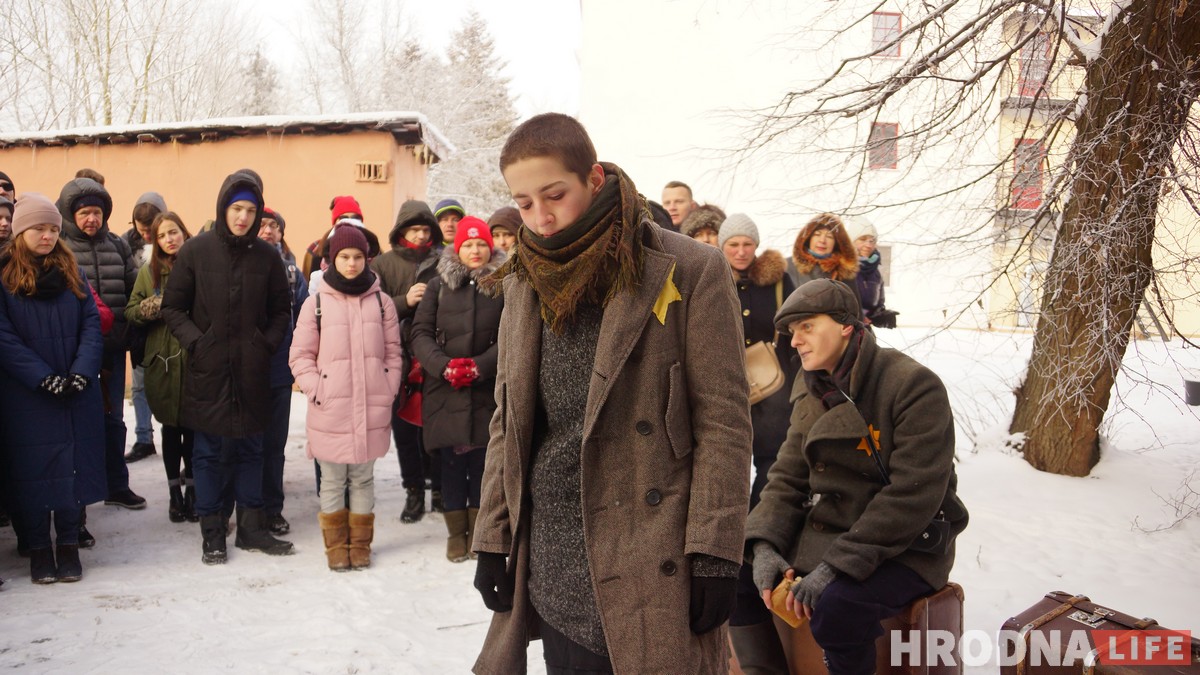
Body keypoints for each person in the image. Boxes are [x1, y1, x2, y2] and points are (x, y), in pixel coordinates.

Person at [471, 113, 753, 674]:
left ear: (593, 179)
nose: (541, 217)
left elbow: (723, 420)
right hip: (554, 558)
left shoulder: (691, 269)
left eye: (555, 195)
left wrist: (717, 551)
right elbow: (510, 417)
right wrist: (492, 533)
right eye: (523, 203)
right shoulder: (524, 278)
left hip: (655, 552)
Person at [744, 279, 968, 675]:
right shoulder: (811, 386)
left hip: (904, 546)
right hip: (831, 536)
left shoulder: (911, 385)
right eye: (792, 332)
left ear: (847, 325)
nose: (795, 341)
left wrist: (834, 568)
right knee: (734, 578)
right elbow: (787, 476)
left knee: (839, 607)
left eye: (807, 327)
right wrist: (763, 544)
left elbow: (912, 496)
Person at [160, 170, 294, 564]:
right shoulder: (196, 251)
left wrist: (264, 344)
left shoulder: (268, 256)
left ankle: (252, 528)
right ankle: (212, 531)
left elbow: (280, 310)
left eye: (251, 210)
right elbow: (172, 306)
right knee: (209, 452)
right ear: (223, 208)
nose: (243, 217)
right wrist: (198, 343)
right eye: (237, 208)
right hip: (209, 370)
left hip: (253, 370)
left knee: (252, 447)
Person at [0, 193, 105, 584]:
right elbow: (4, 337)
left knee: (70, 470)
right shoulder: (5, 276)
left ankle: (68, 544)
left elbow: (91, 326)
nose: (46, 236)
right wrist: (41, 377)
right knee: (32, 472)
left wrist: (81, 372)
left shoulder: (72, 272)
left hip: (74, 391)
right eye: (38, 229)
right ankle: (39, 548)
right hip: (27, 394)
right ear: (21, 231)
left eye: (52, 229)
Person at [290, 223, 401, 571]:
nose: (351, 263)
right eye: (344, 257)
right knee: (334, 480)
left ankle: (361, 545)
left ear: (366, 259)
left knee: (364, 479)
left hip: (371, 406)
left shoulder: (382, 304)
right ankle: (337, 546)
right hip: (331, 408)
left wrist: (388, 386)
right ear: (331, 260)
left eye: (357, 257)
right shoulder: (316, 304)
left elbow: (394, 353)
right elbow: (300, 356)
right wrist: (316, 388)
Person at [717, 213, 800, 667]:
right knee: (729, 459)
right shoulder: (709, 276)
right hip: (727, 386)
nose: (742, 251)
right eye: (734, 244)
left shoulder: (777, 277)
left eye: (748, 243)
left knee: (772, 459)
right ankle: (732, 526)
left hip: (772, 386)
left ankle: (760, 525)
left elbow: (789, 325)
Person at [410, 216, 505, 563]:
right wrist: (443, 366)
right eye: (468, 244)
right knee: (450, 464)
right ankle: (455, 535)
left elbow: (512, 334)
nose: (475, 250)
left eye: (481, 243)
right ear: (458, 248)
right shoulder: (437, 286)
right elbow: (419, 333)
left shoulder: (503, 284)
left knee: (483, 463)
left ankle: (480, 534)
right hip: (444, 389)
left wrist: (482, 365)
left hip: (485, 389)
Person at [56, 177, 146, 512]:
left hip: (111, 346)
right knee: (78, 420)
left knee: (113, 419)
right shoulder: (60, 245)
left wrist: (132, 329)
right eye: (84, 213)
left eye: (96, 213)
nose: (91, 219)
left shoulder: (117, 245)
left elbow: (133, 285)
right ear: (71, 215)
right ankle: (78, 495)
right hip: (74, 351)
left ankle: (116, 485)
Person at [370, 200, 444, 524]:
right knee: (404, 429)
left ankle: (441, 489)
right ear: (401, 231)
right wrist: (404, 301)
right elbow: (371, 307)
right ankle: (413, 490)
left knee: (438, 426)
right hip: (397, 357)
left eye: (425, 229)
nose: (419, 234)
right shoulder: (383, 264)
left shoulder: (445, 261)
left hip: (436, 355)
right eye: (413, 228)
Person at [125, 212, 197, 523]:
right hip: (162, 360)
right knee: (170, 427)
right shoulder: (148, 272)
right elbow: (131, 311)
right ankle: (174, 494)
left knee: (194, 428)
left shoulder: (198, 265)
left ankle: (194, 489)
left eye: (174, 232)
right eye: (163, 235)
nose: (170, 239)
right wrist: (158, 305)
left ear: (184, 232)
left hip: (194, 357)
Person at [256, 206, 309, 535]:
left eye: (273, 225)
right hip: (245, 369)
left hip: (278, 369)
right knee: (247, 442)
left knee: (274, 445)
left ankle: (272, 508)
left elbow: (304, 317)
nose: (267, 230)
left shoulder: (293, 271)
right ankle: (247, 505)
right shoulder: (240, 265)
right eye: (261, 225)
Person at [123, 192, 168, 464]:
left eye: (152, 230)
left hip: (170, 328)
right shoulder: (124, 244)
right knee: (139, 385)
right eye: (142, 231)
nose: (148, 236)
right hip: (139, 324)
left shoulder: (171, 239)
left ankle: (174, 435)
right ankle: (143, 438)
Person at [847, 217, 898, 329]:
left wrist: (881, 316)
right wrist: (858, 317)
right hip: (843, 332)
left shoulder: (874, 272)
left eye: (872, 241)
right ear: (851, 241)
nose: (868, 245)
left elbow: (878, 304)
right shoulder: (842, 268)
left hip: (864, 332)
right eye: (863, 239)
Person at [786, 212, 859, 288]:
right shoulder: (787, 267)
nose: (822, 240)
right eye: (817, 234)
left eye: (829, 236)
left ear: (837, 243)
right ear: (808, 238)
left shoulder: (844, 273)